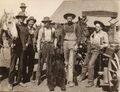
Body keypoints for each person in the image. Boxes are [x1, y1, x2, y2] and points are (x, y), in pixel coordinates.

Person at [79, 20, 109, 87]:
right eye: (96, 26)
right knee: (85, 63)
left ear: (101, 27)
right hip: (90, 48)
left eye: (98, 26)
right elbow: (90, 39)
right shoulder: (94, 33)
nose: (96, 27)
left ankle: (90, 82)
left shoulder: (104, 33)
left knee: (90, 64)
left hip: (97, 50)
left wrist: (102, 46)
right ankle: (82, 76)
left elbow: (107, 44)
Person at [8, 11, 28, 90]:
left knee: (21, 65)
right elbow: (8, 36)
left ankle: (19, 80)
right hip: (15, 48)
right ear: (18, 18)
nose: (22, 19)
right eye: (20, 18)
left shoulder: (25, 26)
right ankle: (10, 82)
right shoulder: (13, 25)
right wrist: (11, 43)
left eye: (23, 18)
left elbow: (28, 36)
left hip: (22, 48)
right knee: (12, 65)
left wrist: (27, 43)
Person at [36, 17, 57, 91]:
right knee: (41, 63)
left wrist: (55, 45)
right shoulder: (41, 30)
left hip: (51, 46)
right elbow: (38, 40)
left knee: (50, 63)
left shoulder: (53, 29)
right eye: (44, 22)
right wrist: (38, 48)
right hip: (44, 46)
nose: (45, 23)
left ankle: (49, 80)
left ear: (49, 23)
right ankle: (38, 78)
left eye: (47, 22)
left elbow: (55, 38)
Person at [63, 13, 81, 87]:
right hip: (65, 43)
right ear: (66, 19)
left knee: (71, 62)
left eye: (70, 17)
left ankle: (70, 80)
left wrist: (77, 44)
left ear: (72, 18)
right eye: (68, 17)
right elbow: (61, 36)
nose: (69, 18)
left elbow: (79, 36)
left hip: (73, 43)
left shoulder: (76, 25)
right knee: (66, 62)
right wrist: (61, 45)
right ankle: (65, 78)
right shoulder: (63, 26)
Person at [25, 16, 37, 82]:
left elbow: (37, 38)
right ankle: (24, 77)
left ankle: (30, 77)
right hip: (25, 48)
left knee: (31, 62)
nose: (32, 23)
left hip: (32, 48)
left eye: (33, 22)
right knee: (24, 62)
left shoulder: (35, 30)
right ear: (28, 22)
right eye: (30, 21)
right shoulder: (25, 29)